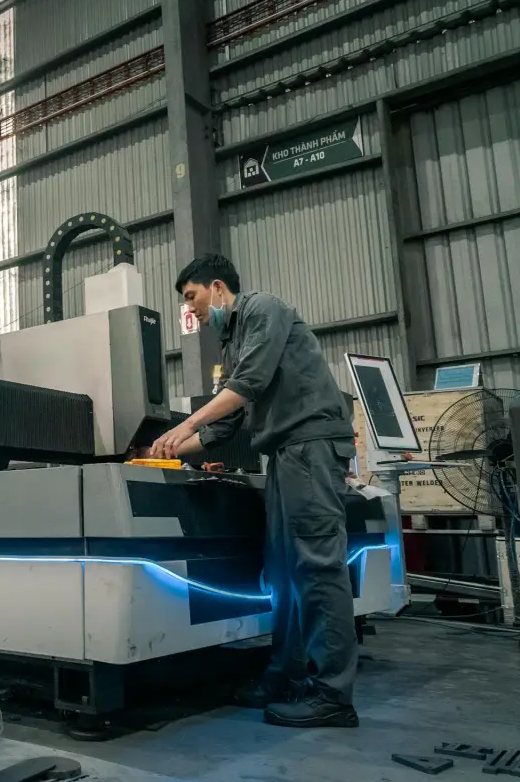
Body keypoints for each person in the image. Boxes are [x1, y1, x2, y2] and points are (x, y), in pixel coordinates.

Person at [147, 254, 360, 729]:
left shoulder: (265, 310)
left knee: (319, 568)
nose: (192, 310)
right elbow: (227, 426)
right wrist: (168, 451)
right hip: (283, 455)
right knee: (284, 571)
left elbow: (250, 384)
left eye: (192, 297)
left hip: (310, 447)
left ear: (217, 287)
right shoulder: (231, 343)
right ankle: (286, 674)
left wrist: (186, 422)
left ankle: (333, 696)